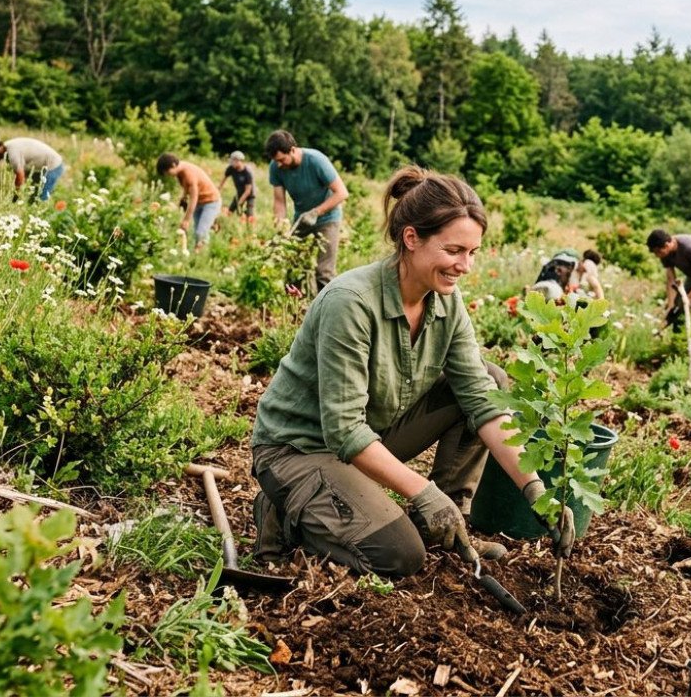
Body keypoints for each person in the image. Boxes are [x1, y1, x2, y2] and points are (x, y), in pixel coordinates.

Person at [249, 166, 574, 576]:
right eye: (454, 250)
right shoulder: (351, 302)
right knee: (398, 555)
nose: (465, 266)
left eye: (473, 252)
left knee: (491, 380)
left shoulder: (446, 303)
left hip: (370, 436)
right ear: (411, 238)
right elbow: (344, 430)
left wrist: (536, 490)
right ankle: (285, 513)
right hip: (300, 448)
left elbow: (483, 402)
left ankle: (447, 523)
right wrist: (423, 490)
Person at [265, 130, 349, 292]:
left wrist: (316, 212)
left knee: (323, 271)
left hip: (328, 218)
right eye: (276, 161)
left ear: (292, 150)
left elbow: (341, 193)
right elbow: (279, 201)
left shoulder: (316, 160)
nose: (279, 165)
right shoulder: (275, 167)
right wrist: (281, 226)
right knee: (293, 264)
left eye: (281, 160)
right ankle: (295, 304)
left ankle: (327, 304)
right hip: (302, 218)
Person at [157, 153, 222, 253]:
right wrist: (182, 198)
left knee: (201, 232)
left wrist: (186, 220)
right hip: (199, 203)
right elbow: (187, 188)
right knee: (197, 231)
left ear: (173, 165)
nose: (168, 174)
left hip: (211, 202)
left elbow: (193, 198)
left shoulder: (189, 174)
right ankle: (199, 253)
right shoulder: (180, 171)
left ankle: (200, 255)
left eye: (167, 171)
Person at [0, 137, 67, 202]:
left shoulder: (12, 154)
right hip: (39, 168)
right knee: (33, 195)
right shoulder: (7, 147)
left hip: (53, 165)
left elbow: (20, 176)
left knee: (41, 197)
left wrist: (15, 195)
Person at [218, 151, 256, 219]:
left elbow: (248, 191)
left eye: (233, 161)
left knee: (249, 215)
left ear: (239, 161)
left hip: (249, 195)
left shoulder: (247, 173)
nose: (232, 163)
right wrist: (218, 189)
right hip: (239, 193)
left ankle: (248, 219)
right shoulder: (231, 169)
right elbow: (223, 179)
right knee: (230, 211)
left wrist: (240, 202)